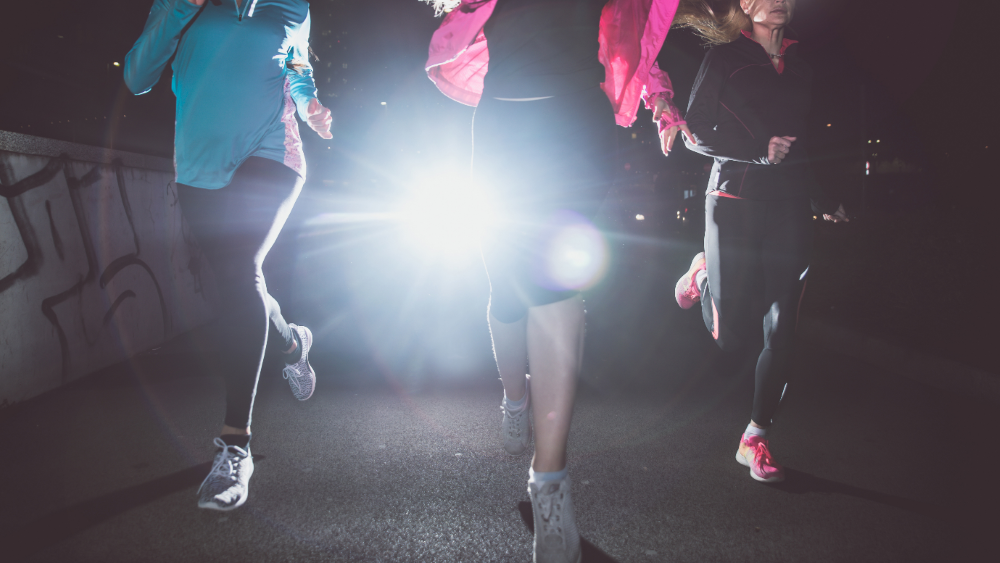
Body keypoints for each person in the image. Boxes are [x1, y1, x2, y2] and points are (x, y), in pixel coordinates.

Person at [423, 1, 692, 561]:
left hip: (575, 126)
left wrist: (660, 99)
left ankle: (549, 482)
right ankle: (515, 397)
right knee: (506, 292)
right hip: (502, 131)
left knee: (555, 286)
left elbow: (634, 30)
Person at [124, 0, 333, 511]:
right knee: (242, 283)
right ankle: (292, 342)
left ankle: (235, 445)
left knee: (242, 271)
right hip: (200, 165)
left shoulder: (291, 5)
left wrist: (309, 104)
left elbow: (296, 62)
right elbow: (136, 77)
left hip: (273, 151)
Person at [672, 0, 849, 484]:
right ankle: (702, 273)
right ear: (745, 5)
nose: (781, 2)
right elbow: (693, 131)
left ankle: (756, 437)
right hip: (733, 199)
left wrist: (824, 197)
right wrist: (757, 152)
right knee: (731, 338)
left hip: (789, 205)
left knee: (783, 326)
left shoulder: (801, 68)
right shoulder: (726, 56)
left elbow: (800, 143)